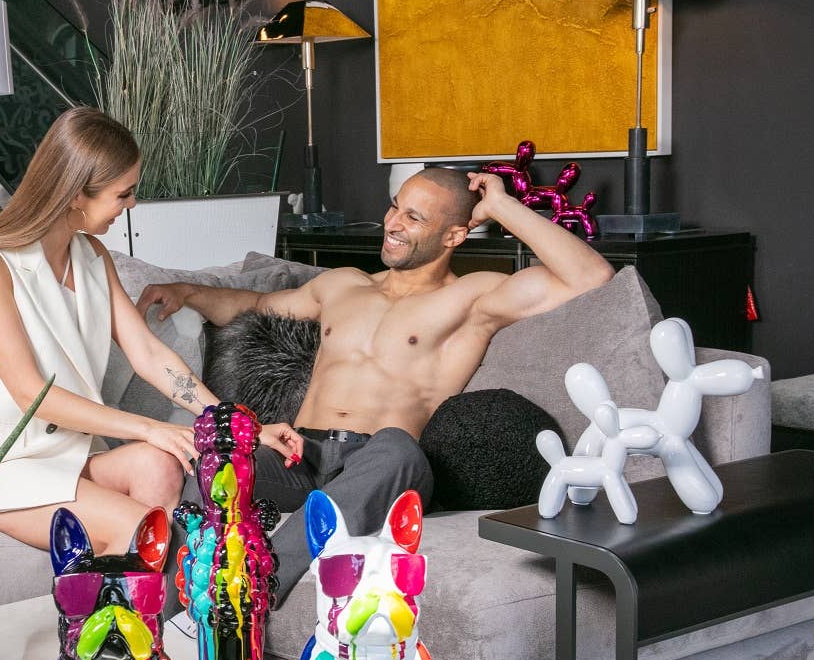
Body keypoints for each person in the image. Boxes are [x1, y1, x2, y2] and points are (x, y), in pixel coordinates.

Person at [138, 167, 616, 595]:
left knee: (399, 448)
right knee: (220, 457)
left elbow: (591, 276)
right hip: (299, 454)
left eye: (414, 218)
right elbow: (257, 307)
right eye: (394, 207)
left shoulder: (473, 297)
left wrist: (502, 207)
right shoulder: (342, 284)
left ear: (454, 235)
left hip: (380, 465)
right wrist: (188, 292)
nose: (392, 223)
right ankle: (171, 599)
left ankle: (260, 580)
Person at [0, 107, 303, 556]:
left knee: (161, 463)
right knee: (141, 525)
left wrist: (238, 426)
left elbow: (149, 355)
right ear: (77, 193)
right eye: (124, 193)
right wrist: (150, 428)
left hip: (71, 455)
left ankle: (154, 599)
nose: (132, 204)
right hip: (0, 464)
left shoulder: (92, 256)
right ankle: (139, 596)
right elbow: (32, 395)